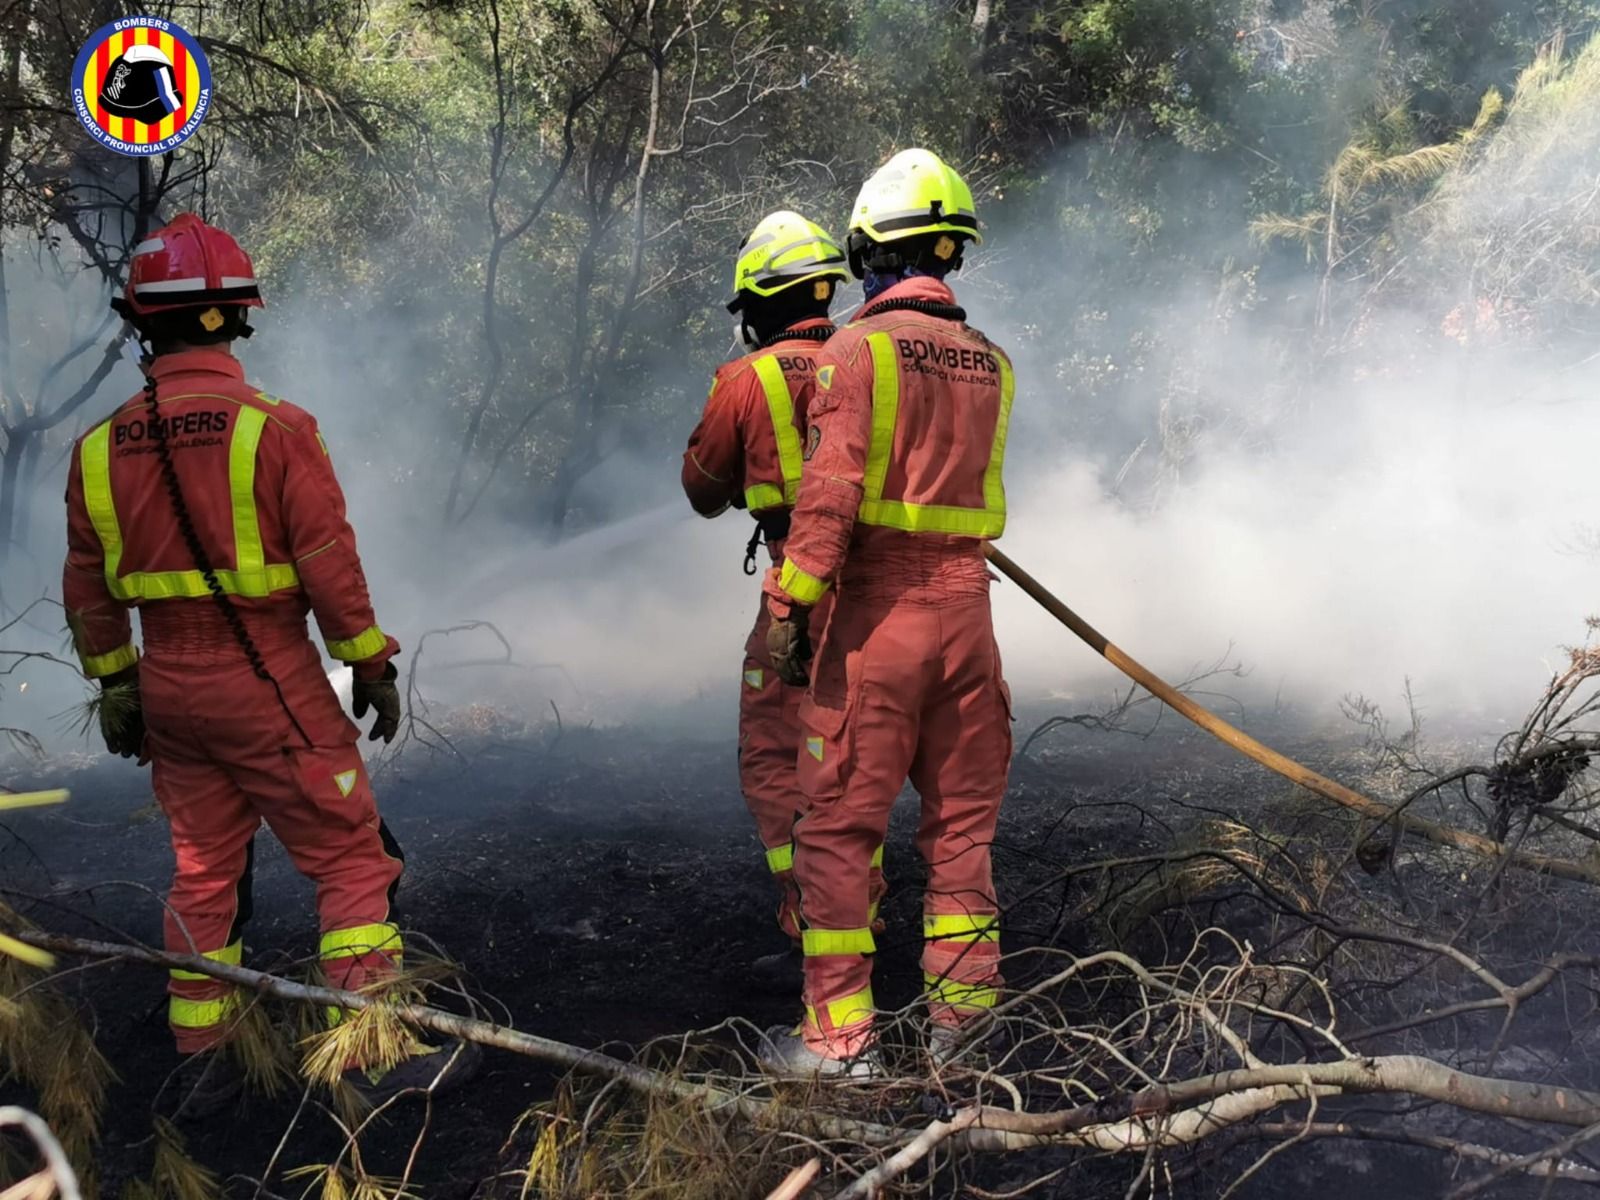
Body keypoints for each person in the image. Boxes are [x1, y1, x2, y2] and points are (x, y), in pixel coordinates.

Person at [62, 213, 474, 1113]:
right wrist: (369, 665)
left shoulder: (98, 449)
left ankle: (203, 1055)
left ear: (143, 323)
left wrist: (117, 684)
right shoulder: (275, 430)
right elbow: (331, 563)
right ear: (236, 320)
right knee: (351, 860)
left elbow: (88, 586)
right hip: (267, 676)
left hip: (169, 686)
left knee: (205, 867)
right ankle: (368, 1052)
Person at [757, 151, 1016, 1075]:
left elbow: (827, 502)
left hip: (879, 623)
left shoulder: (854, 353)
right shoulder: (991, 360)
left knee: (834, 828)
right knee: (960, 830)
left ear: (869, 249)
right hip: (970, 623)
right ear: (950, 256)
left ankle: (840, 1043)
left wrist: (791, 605)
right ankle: (966, 1029)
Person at [682, 210, 852, 988]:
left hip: (798, 585)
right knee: (856, 756)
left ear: (757, 305)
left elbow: (703, 492)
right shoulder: (866, 359)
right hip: (883, 585)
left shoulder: (744, 379)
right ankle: (860, 906)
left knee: (778, 756)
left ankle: (814, 925)